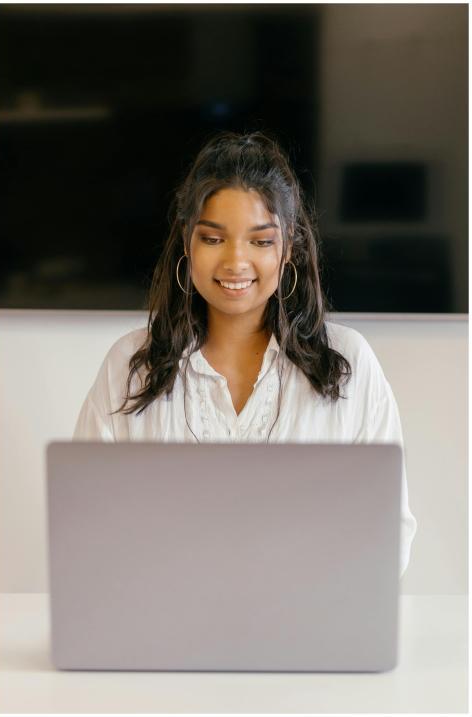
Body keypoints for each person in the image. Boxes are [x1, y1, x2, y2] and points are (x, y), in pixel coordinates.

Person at [73, 130, 417, 576]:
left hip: (305, 631)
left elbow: (389, 536)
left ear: (289, 246)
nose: (236, 262)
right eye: (214, 239)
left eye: (260, 241)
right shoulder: (129, 366)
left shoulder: (348, 363)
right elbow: (84, 525)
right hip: (163, 631)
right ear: (186, 242)